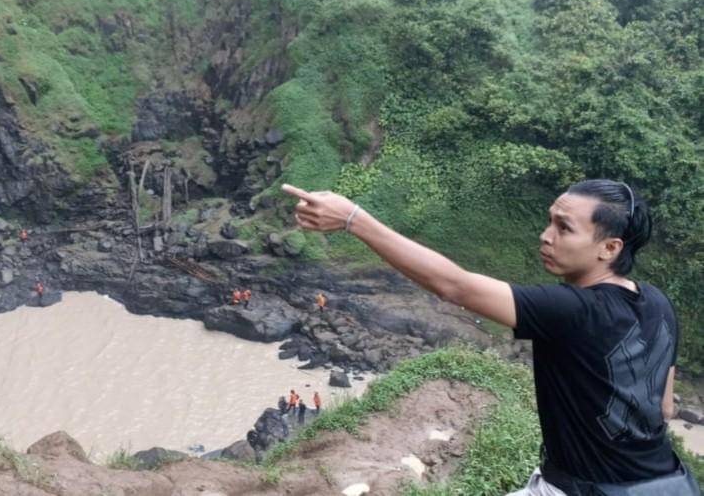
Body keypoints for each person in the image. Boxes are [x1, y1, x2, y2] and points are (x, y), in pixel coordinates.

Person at [283, 180, 698, 495]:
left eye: (564, 228)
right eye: (550, 220)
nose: (545, 235)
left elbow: (455, 287)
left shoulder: (573, 310)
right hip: (669, 482)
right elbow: (663, 405)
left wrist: (354, 219)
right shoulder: (658, 303)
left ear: (609, 247)